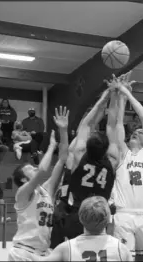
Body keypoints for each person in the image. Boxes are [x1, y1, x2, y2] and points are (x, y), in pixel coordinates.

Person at [108, 72, 143, 261]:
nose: (137, 132)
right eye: (134, 132)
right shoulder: (123, 153)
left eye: (140, 132)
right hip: (124, 215)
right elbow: (118, 123)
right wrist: (120, 96)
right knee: (122, 258)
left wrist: (127, 93)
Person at [8, 106, 69, 261]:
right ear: (23, 179)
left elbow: (62, 159)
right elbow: (42, 170)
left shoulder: (45, 189)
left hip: (43, 253)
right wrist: (50, 147)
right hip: (23, 253)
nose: (34, 168)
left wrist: (63, 130)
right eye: (30, 168)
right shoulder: (22, 193)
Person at [62, 87, 119, 241]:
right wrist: (114, 96)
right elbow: (112, 126)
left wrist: (103, 98)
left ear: (86, 146)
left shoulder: (79, 155)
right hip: (101, 214)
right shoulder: (113, 161)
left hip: (78, 212)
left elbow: (85, 125)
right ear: (106, 148)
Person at [44, 196, 132, 262]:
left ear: (80, 218)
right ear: (108, 219)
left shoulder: (67, 248)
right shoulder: (121, 249)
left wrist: (30, 254)